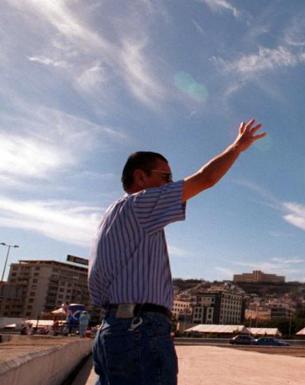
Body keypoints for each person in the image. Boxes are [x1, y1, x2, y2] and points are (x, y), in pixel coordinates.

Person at [88, 119, 266, 385]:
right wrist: (237, 147)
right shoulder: (140, 205)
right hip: (139, 331)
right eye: (165, 177)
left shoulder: (112, 214)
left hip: (115, 329)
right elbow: (206, 179)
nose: (171, 184)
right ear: (140, 177)